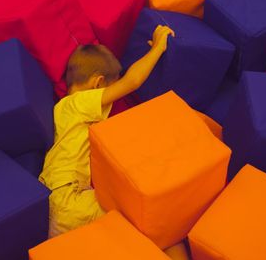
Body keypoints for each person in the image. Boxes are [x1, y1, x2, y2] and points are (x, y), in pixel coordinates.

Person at [39, 24, 175, 237]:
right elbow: (132, 82)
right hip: (68, 199)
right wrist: (157, 48)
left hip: (56, 200)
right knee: (151, 213)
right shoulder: (78, 103)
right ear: (98, 83)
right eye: (110, 89)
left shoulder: (66, 110)